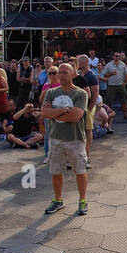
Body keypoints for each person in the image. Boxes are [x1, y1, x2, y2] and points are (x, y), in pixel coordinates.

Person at [42, 59, 95, 216]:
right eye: (59, 72)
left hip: (75, 139)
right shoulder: (51, 92)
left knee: (79, 170)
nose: (60, 75)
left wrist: (55, 113)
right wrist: (64, 110)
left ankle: (82, 200)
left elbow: (76, 116)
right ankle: (58, 200)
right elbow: (44, 113)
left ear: (73, 74)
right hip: (55, 137)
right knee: (56, 170)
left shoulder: (81, 93)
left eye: (64, 72)